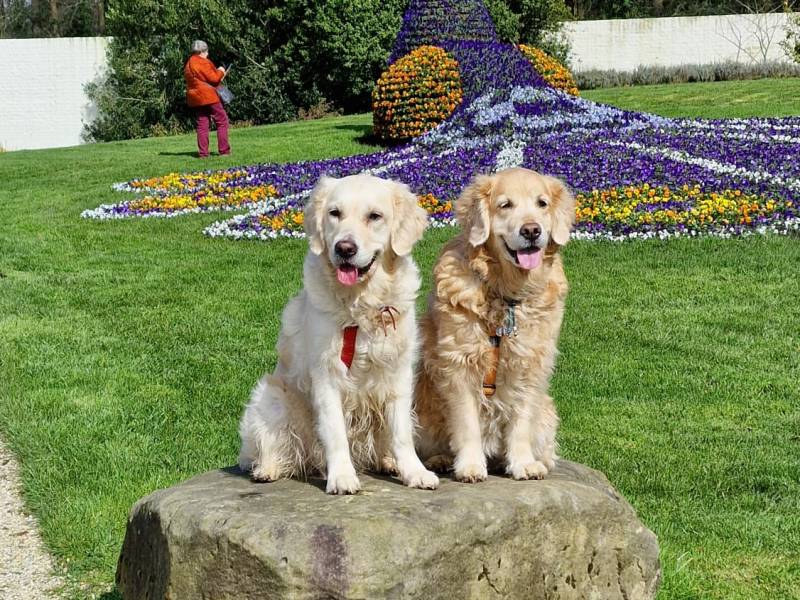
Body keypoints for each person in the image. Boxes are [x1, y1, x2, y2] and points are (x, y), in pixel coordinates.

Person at [184, 40, 230, 157]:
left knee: (202, 124)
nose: (207, 54)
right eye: (206, 51)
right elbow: (214, 79)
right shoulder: (202, 62)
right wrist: (221, 70)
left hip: (196, 99)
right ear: (202, 51)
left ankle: (203, 153)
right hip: (209, 96)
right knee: (222, 120)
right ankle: (224, 150)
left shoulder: (188, 64)